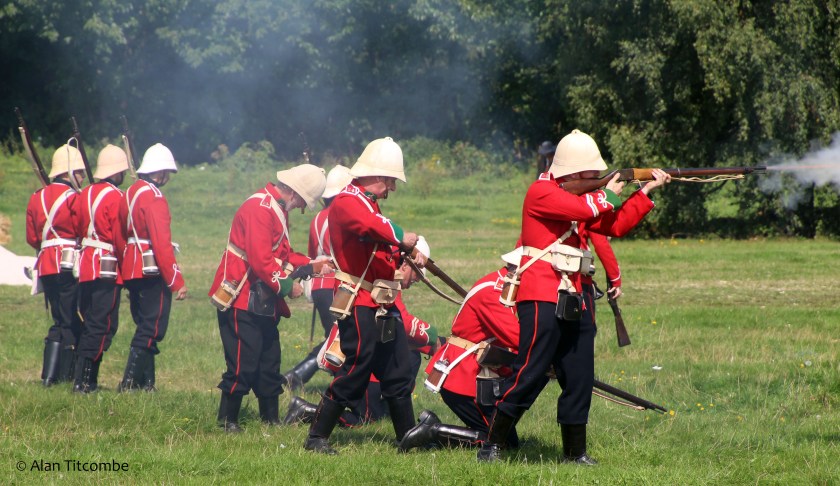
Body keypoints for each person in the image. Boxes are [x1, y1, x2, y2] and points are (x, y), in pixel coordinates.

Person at [477, 129, 671, 464]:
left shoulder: (584, 199)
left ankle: (575, 453)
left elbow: (616, 225)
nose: (595, 177)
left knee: (579, 376)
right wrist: (607, 192)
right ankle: (492, 444)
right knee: (530, 372)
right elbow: (583, 209)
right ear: (573, 172)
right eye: (590, 173)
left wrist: (645, 192)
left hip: (577, 294)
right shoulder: (541, 191)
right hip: (541, 293)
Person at [304, 136, 428, 455]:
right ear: (376, 176)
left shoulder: (367, 203)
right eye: (390, 181)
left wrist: (404, 254)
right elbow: (373, 225)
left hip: (381, 301)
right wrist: (403, 237)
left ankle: (406, 438)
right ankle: (316, 436)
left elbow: (378, 249)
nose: (392, 188)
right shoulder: (348, 200)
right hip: (359, 300)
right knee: (357, 368)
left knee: (398, 369)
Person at [209, 164, 330, 433]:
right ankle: (228, 420)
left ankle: (270, 419)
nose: (301, 208)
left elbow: (282, 255)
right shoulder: (260, 208)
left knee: (269, 359)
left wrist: (313, 264)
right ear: (294, 193)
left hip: (261, 298)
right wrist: (288, 287)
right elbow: (261, 260)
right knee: (243, 361)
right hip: (240, 295)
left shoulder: (276, 208)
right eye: (303, 201)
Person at [284, 237, 438, 426]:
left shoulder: (390, 276)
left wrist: (427, 346)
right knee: (365, 419)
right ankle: (306, 411)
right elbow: (403, 323)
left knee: (409, 361)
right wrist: (433, 338)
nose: (415, 281)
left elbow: (395, 328)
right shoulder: (385, 276)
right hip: (361, 355)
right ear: (406, 264)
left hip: (369, 352)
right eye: (416, 275)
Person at [399, 249, 523, 451]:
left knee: (504, 436)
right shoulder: (493, 292)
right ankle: (433, 431)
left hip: (473, 374)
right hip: (464, 377)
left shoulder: (501, 286)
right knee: (501, 442)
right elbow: (517, 338)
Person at [117, 143, 188, 392]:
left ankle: (147, 384)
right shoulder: (154, 197)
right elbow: (161, 243)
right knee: (152, 327)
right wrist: (176, 281)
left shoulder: (129, 192)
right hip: (150, 268)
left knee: (144, 324)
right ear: (160, 173)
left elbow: (120, 235)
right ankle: (128, 384)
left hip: (131, 266)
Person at [281, 165, 353, 391]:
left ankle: (301, 376)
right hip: (338, 286)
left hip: (319, 286)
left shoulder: (318, 219)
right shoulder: (347, 217)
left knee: (336, 336)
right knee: (342, 338)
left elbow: (313, 253)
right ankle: (299, 376)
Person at [25, 145, 85, 386]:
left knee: (59, 318)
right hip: (68, 263)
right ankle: (66, 376)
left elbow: (32, 238)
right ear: (70, 172)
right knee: (69, 319)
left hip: (46, 263)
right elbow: (83, 230)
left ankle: (50, 377)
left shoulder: (36, 197)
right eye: (79, 172)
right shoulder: (75, 198)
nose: (82, 177)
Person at [72, 144, 130, 393]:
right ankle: (86, 382)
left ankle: (81, 378)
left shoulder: (84, 193)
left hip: (87, 264)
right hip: (107, 266)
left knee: (90, 322)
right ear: (117, 172)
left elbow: (77, 227)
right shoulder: (117, 197)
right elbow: (119, 236)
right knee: (102, 324)